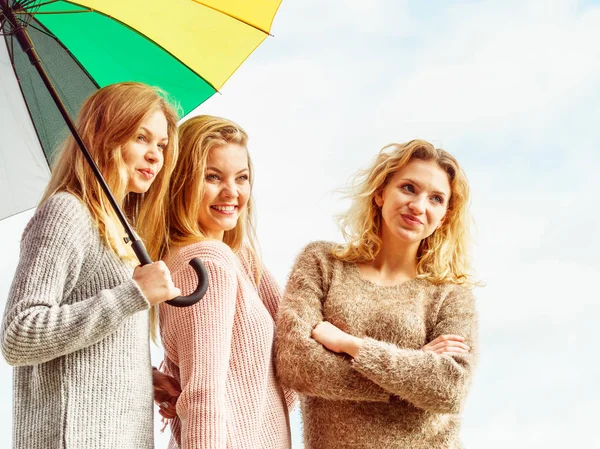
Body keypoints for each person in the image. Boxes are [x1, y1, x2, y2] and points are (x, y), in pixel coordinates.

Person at [1, 82, 182, 449]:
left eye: (161, 145)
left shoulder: (122, 231)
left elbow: (88, 349)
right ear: (105, 136)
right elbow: (18, 335)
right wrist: (132, 294)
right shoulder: (66, 213)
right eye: (141, 138)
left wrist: (143, 378)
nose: (155, 156)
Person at [275, 140, 479, 449]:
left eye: (436, 199)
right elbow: (295, 363)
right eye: (409, 188)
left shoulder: (450, 293)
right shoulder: (322, 263)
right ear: (381, 192)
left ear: (445, 216)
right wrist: (414, 368)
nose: (419, 206)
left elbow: (450, 388)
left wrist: (351, 346)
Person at [156, 115, 296, 449]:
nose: (232, 192)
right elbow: (202, 394)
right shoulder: (207, 263)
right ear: (181, 181)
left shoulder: (236, 258)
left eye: (242, 178)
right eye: (212, 177)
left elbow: (299, 334)